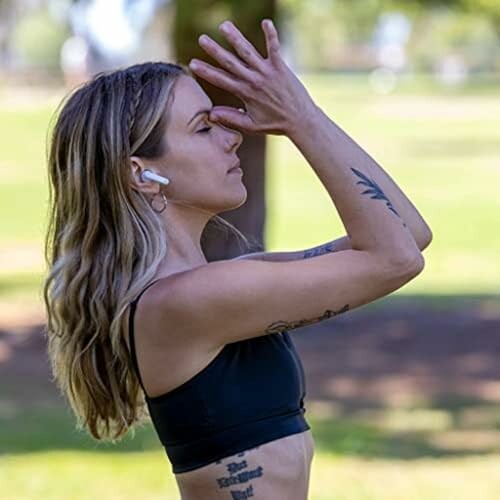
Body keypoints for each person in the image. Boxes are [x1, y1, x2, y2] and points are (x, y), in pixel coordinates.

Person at [43, 18, 432, 500]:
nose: (232, 136)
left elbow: (409, 236)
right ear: (143, 175)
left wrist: (304, 117)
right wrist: (301, 119)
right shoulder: (184, 302)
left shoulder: (213, 285)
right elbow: (397, 259)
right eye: (204, 127)